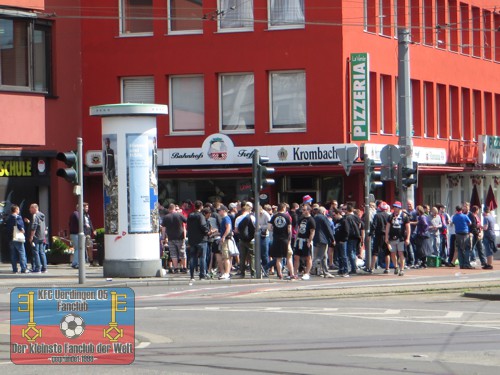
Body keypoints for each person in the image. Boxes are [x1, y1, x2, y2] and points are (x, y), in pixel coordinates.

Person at [268, 202, 295, 280]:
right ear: (284, 208)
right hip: (285, 239)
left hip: (276, 239)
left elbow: (269, 228)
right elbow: (289, 229)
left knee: (278, 258)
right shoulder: (287, 217)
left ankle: (280, 274)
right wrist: (289, 239)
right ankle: (292, 274)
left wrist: (276, 229)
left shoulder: (274, 217)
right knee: (289, 257)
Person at [186, 200, 210, 282]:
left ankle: (192, 276)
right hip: (201, 239)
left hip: (192, 239)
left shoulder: (190, 215)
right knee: (202, 258)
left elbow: (188, 227)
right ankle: (202, 275)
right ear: (201, 207)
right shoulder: (201, 216)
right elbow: (203, 226)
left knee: (192, 257)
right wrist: (207, 231)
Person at [385, 201, 410, 276]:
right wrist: (386, 237)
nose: (395, 209)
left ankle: (402, 269)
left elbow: (408, 228)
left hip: (401, 237)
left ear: (399, 208)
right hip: (392, 237)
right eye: (394, 207)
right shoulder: (390, 216)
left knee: (401, 253)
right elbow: (387, 227)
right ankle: (396, 266)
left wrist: (408, 238)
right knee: (392, 253)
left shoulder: (404, 216)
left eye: (396, 207)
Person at [161, 203, 187, 274]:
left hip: (170, 238)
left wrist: (163, 238)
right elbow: (186, 221)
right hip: (180, 237)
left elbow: (163, 229)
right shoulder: (180, 215)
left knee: (173, 254)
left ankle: (175, 268)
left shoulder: (166, 217)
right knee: (182, 253)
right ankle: (184, 268)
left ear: (169, 209)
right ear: (174, 209)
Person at [294, 203, 315, 280]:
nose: (302, 211)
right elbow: (298, 229)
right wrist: (296, 239)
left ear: (308, 210)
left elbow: (312, 231)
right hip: (300, 239)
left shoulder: (311, 220)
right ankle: (294, 273)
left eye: (304, 209)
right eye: (302, 209)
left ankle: (307, 273)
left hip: (306, 240)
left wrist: (309, 241)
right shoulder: (301, 219)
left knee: (308, 257)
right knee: (296, 256)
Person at [312, 206, 335, 278]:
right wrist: (332, 239)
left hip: (316, 238)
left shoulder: (314, 218)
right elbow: (328, 229)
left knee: (322, 256)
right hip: (323, 239)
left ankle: (321, 271)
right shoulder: (324, 218)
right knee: (321, 256)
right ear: (323, 212)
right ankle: (315, 270)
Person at [6, 204, 29, 274]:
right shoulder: (18, 217)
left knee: (13, 254)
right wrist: (22, 229)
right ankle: (23, 268)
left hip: (11, 238)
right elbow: (20, 225)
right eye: (18, 209)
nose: (19, 211)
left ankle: (14, 269)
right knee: (22, 253)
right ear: (16, 210)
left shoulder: (9, 218)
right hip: (18, 238)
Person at [235, 203, 256, 278]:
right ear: (248, 210)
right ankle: (253, 273)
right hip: (251, 240)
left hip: (242, 240)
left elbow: (236, 230)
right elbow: (256, 228)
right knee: (252, 257)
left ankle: (242, 273)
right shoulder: (252, 218)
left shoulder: (238, 218)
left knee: (242, 257)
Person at [28, 203, 47, 273]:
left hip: (36, 237)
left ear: (34, 208)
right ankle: (44, 268)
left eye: (30, 208)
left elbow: (34, 227)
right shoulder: (42, 215)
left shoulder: (35, 216)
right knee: (42, 252)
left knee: (35, 252)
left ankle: (38, 268)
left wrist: (31, 236)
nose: (29, 209)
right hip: (42, 236)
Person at [451, 205, 473, 269]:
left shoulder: (454, 217)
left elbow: (453, 223)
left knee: (460, 249)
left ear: (456, 210)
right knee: (467, 248)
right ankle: (466, 263)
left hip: (458, 233)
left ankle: (461, 264)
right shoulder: (465, 216)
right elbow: (470, 223)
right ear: (461, 210)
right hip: (465, 233)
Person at [217, 205, 233, 280]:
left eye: (220, 210)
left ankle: (226, 273)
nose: (219, 212)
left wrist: (223, 237)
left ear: (224, 211)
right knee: (227, 257)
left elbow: (228, 228)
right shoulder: (225, 218)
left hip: (226, 239)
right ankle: (227, 273)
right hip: (226, 239)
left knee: (226, 257)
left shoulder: (226, 218)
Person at [69, 205, 81, 269]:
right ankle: (76, 263)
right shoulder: (76, 214)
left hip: (74, 233)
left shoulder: (74, 214)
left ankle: (75, 262)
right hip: (76, 233)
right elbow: (80, 223)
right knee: (78, 248)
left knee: (77, 248)